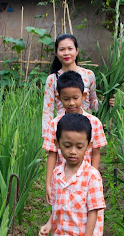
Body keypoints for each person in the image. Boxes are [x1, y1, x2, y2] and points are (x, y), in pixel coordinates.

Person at [43, 71, 107, 203]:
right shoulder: (54, 124)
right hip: (62, 180)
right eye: (66, 99)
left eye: (75, 98)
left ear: (84, 96)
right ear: (59, 98)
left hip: (85, 179)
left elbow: (95, 153)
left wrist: (93, 178)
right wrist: (49, 184)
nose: (71, 103)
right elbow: (52, 154)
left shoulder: (94, 123)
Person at [42, 34, 99, 135]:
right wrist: (47, 137)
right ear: (56, 53)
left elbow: (93, 104)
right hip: (63, 129)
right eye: (62, 49)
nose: (66, 53)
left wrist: (108, 103)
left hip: (86, 128)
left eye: (70, 48)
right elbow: (47, 111)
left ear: (76, 51)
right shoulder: (52, 79)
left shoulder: (89, 75)